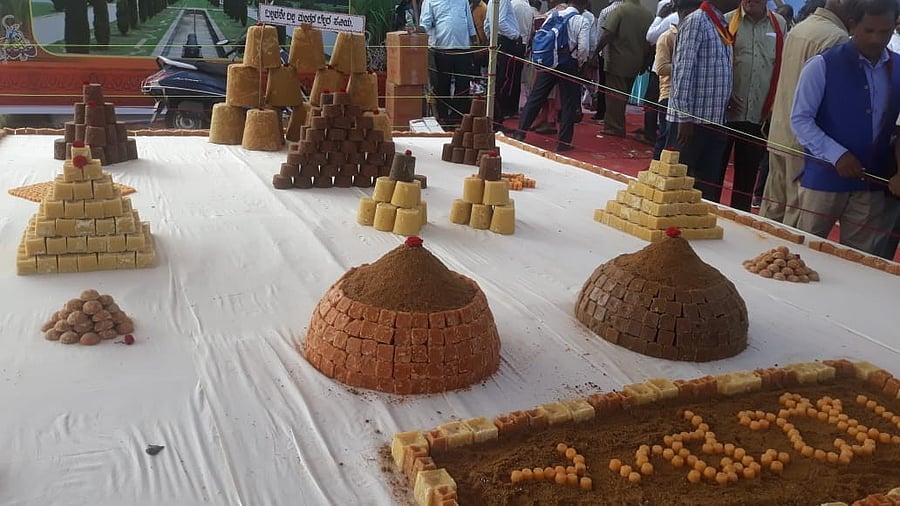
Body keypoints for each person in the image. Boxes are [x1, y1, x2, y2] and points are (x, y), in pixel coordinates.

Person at [790, 0, 900, 256]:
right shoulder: (822, 65)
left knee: (860, 260)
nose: (876, 39)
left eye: (884, 32)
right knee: (803, 253)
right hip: (823, 179)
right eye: (869, 31)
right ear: (853, 25)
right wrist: (836, 154)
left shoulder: (897, 68)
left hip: (872, 184)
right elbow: (800, 120)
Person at [759, 0, 852, 225]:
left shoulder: (801, 27)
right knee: (794, 218)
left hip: (781, 131)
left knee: (772, 210)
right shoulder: (836, 38)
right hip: (805, 142)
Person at [666, 0, 742, 202]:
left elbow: (715, 66)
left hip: (715, 120)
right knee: (678, 185)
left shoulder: (722, 23)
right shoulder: (697, 21)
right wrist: (684, 118)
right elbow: (683, 71)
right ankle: (672, 230)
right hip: (691, 123)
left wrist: (727, 92)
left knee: (704, 188)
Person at [719, 0, 786, 211]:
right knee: (714, 173)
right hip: (726, 113)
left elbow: (782, 66)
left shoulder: (780, 24)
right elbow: (717, 64)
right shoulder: (728, 21)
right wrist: (724, 93)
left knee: (746, 181)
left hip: (759, 114)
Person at [512, 0, 592, 151]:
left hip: (550, 62)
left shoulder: (554, 14)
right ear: (583, 6)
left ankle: (520, 132)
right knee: (569, 103)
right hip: (569, 64)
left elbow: (541, 34)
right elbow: (583, 49)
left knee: (536, 96)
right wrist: (581, 65)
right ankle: (563, 142)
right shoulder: (582, 20)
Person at [595, 0, 654, 137]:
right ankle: (617, 125)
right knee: (624, 96)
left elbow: (608, 34)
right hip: (637, 62)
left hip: (617, 60)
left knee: (614, 97)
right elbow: (651, 42)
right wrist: (646, 62)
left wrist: (595, 52)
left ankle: (614, 127)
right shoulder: (648, 14)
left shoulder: (619, 11)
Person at [652, 0, 701, 158]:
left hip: (689, 97)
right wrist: (686, 68)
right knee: (667, 138)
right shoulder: (667, 37)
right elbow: (660, 68)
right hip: (669, 94)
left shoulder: (696, 34)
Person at [419, 0, 478, 126]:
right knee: (442, 85)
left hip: (463, 49)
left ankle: (458, 117)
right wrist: (416, 29)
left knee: (463, 85)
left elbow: (469, 23)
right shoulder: (430, 1)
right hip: (442, 50)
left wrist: (475, 41)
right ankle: (443, 118)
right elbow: (425, 24)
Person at [485, 0, 522, 126]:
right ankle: (498, 117)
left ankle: (496, 115)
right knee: (504, 80)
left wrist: (491, 38)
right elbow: (500, 22)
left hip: (498, 40)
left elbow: (487, 24)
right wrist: (515, 35)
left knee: (497, 79)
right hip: (506, 42)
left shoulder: (491, 2)